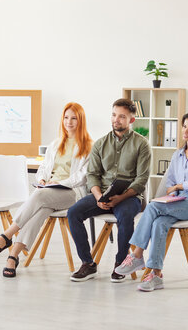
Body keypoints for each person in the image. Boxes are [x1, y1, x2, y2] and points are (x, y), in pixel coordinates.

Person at [0, 103, 93, 277]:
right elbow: (43, 168)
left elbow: (83, 177)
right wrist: (42, 179)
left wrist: (60, 182)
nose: (69, 122)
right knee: (41, 210)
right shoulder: (56, 144)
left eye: (74, 118)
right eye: (66, 117)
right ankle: (13, 256)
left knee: (40, 195)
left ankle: (6, 235)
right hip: (49, 193)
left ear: (81, 121)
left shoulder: (88, 146)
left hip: (72, 193)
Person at [115, 111, 188, 291]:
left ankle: (137, 254)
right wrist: (172, 192)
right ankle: (155, 274)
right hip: (178, 201)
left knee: (154, 206)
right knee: (159, 223)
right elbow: (169, 183)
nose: (185, 132)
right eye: (184, 126)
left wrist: (179, 185)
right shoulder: (178, 155)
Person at [67, 98, 151, 282]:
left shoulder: (142, 144)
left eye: (122, 116)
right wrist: (98, 196)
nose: (116, 120)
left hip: (129, 196)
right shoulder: (100, 144)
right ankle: (88, 264)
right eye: (114, 115)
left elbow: (141, 179)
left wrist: (120, 198)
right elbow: (92, 175)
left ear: (131, 120)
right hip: (102, 194)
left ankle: (121, 264)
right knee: (73, 213)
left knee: (125, 216)